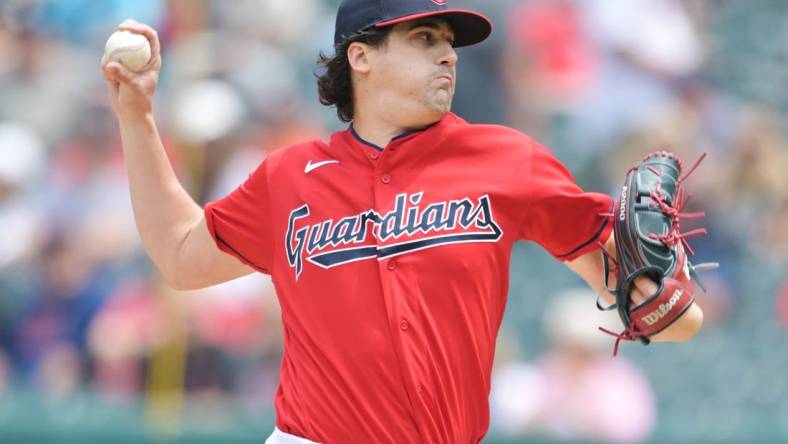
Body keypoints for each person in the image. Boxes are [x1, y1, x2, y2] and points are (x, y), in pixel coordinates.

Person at [101, 1, 704, 442]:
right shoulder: (290, 177)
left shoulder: (506, 159)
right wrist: (137, 114)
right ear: (360, 56)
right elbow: (180, 254)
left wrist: (660, 297)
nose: (447, 51)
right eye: (422, 36)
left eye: (448, 38)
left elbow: (666, 316)